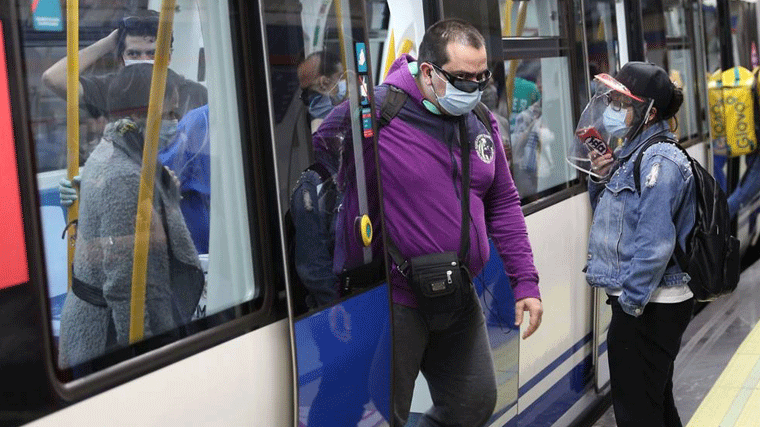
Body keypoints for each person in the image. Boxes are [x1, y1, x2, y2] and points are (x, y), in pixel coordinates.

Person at [317, 19, 543, 426]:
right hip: (397, 297)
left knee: (474, 402)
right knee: (387, 412)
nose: (473, 88)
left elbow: (504, 202)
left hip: (458, 292)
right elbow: (324, 149)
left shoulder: (480, 122)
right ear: (427, 72)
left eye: (481, 77)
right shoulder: (380, 110)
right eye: (462, 78)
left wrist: (524, 280)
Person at [57, 64, 203, 368]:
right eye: (170, 114)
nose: (176, 123)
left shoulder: (117, 150)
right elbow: (125, 283)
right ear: (138, 116)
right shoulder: (124, 173)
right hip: (107, 336)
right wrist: (143, 353)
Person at [581, 62, 694, 427]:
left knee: (636, 414)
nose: (613, 111)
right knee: (655, 405)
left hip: (649, 306)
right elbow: (613, 218)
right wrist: (601, 176)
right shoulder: (633, 152)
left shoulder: (658, 160)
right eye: (612, 100)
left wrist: (629, 305)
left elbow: (654, 245)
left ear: (649, 113)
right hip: (646, 303)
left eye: (621, 103)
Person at [41, 9, 207, 122]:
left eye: (152, 54)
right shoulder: (111, 88)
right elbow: (53, 78)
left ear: (168, 58)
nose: (144, 60)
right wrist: (107, 43)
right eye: (134, 54)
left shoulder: (195, 94)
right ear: (122, 60)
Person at [297, 50, 346, 132]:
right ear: (324, 82)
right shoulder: (329, 120)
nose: (343, 81)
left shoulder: (303, 114)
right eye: (339, 76)